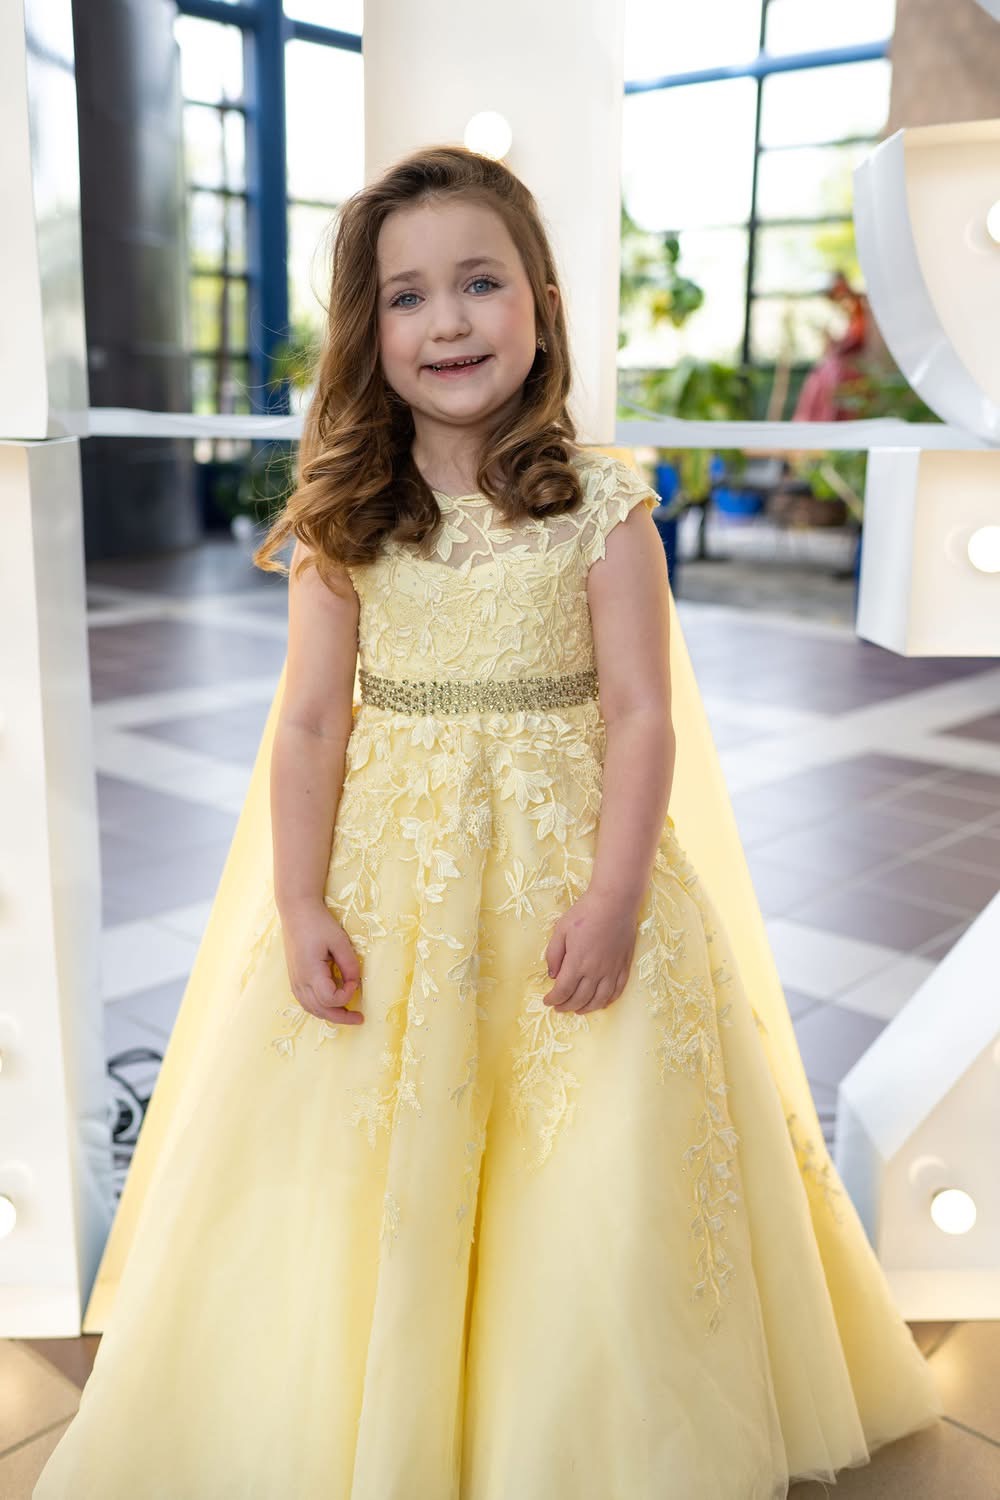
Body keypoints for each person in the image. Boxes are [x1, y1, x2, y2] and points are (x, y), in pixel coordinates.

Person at [33, 146, 943, 1499]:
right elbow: (310, 726)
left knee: (584, 1177)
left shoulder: (602, 507)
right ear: (370, 330)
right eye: (407, 296)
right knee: (372, 1170)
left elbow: (642, 715)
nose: (447, 320)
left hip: (570, 885)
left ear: (542, 306)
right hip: (393, 893)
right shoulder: (348, 519)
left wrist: (617, 897)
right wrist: (300, 900)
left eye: (479, 282)